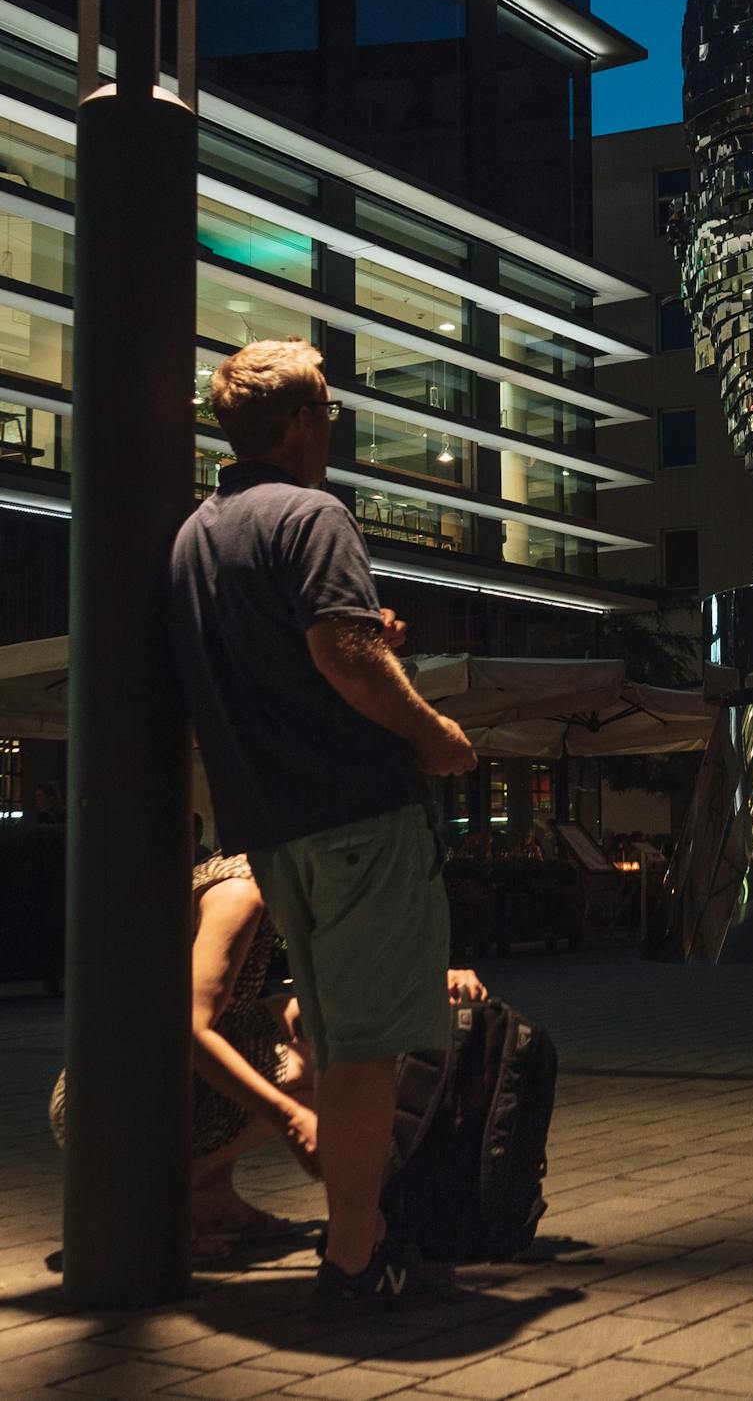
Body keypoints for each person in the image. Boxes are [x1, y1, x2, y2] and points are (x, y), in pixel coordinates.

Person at [169, 338, 478, 1311]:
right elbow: (340, 652)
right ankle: (355, 1256)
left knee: (341, 1030)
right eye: (331, 412)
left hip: (269, 826)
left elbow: (277, 657)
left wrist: (353, 645)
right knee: (365, 1045)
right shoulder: (313, 513)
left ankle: (366, 1237)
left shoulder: (194, 538)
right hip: (358, 810)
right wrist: (436, 735)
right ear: (303, 422)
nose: (332, 430)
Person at [50, 851, 318, 1259]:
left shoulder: (232, 874)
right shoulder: (240, 892)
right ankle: (170, 1200)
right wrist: (290, 1117)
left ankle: (214, 1199)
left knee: (288, 1016)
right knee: (314, 1069)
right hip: (110, 1109)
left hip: (121, 1083)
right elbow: (188, 1029)